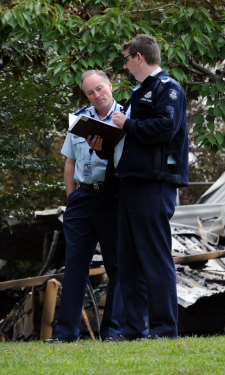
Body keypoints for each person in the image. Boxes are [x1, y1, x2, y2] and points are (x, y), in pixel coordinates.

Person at [91, 34, 189, 339]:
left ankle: (163, 329)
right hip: (129, 184)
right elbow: (127, 141)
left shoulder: (167, 89)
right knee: (128, 262)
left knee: (155, 259)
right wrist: (101, 146)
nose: (125, 65)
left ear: (138, 57)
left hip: (153, 184)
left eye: (125, 59)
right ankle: (132, 330)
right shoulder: (137, 93)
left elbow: (165, 128)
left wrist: (127, 125)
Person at [45, 70, 125, 343]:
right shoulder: (80, 118)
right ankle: (66, 335)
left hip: (112, 198)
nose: (96, 96)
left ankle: (112, 332)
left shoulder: (125, 117)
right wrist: (72, 197)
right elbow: (69, 161)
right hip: (82, 199)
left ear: (110, 86)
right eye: (90, 92)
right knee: (74, 265)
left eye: (100, 89)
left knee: (116, 266)